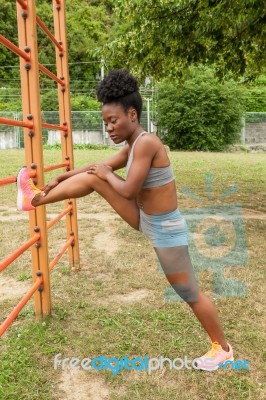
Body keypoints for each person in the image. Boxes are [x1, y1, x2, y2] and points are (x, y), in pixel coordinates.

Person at [17, 69, 233, 371]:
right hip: (146, 218)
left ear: (132, 114)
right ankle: (35, 198)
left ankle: (222, 349)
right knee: (95, 178)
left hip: (166, 230)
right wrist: (65, 175)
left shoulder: (146, 143)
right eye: (105, 122)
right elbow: (99, 166)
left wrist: (102, 173)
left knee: (189, 292)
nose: (108, 127)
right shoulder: (133, 145)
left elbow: (129, 188)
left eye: (113, 120)